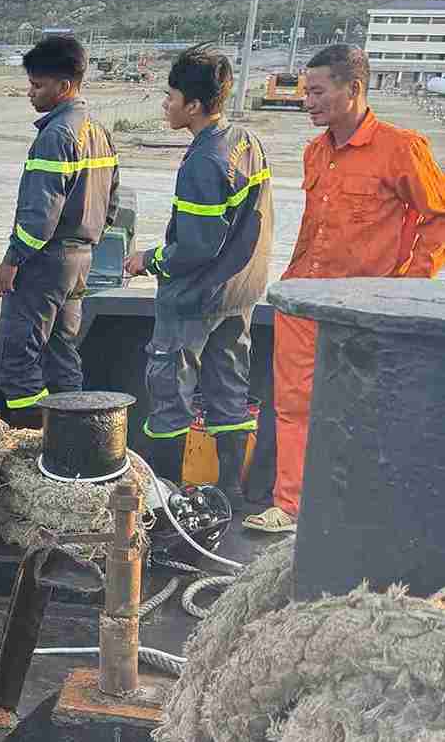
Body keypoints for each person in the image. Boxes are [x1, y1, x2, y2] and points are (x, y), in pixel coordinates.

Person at [243, 45, 445, 534]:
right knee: (292, 404)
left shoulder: (402, 148)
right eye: (304, 91)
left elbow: (437, 217)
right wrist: (290, 284)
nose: (305, 101)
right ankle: (290, 507)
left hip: (366, 311)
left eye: (316, 91)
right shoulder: (315, 153)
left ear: (352, 89)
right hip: (305, 300)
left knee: (368, 405)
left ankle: (366, 509)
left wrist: (407, 289)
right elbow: (313, 230)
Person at [122, 46, 273, 504]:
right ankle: (229, 491)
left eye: (170, 96)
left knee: (169, 393)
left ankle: (167, 495)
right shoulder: (247, 141)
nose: (165, 104)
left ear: (193, 105)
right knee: (229, 388)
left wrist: (148, 259)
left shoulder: (205, 162)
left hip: (195, 298)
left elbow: (196, 246)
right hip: (239, 292)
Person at [0, 35, 119, 419]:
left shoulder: (56, 135)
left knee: (17, 359)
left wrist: (13, 260)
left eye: (37, 85)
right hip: (80, 259)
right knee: (61, 354)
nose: (30, 93)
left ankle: (30, 444)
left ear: (64, 87)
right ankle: (72, 439)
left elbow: (39, 214)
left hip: (46, 261)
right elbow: (111, 200)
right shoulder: (98, 132)